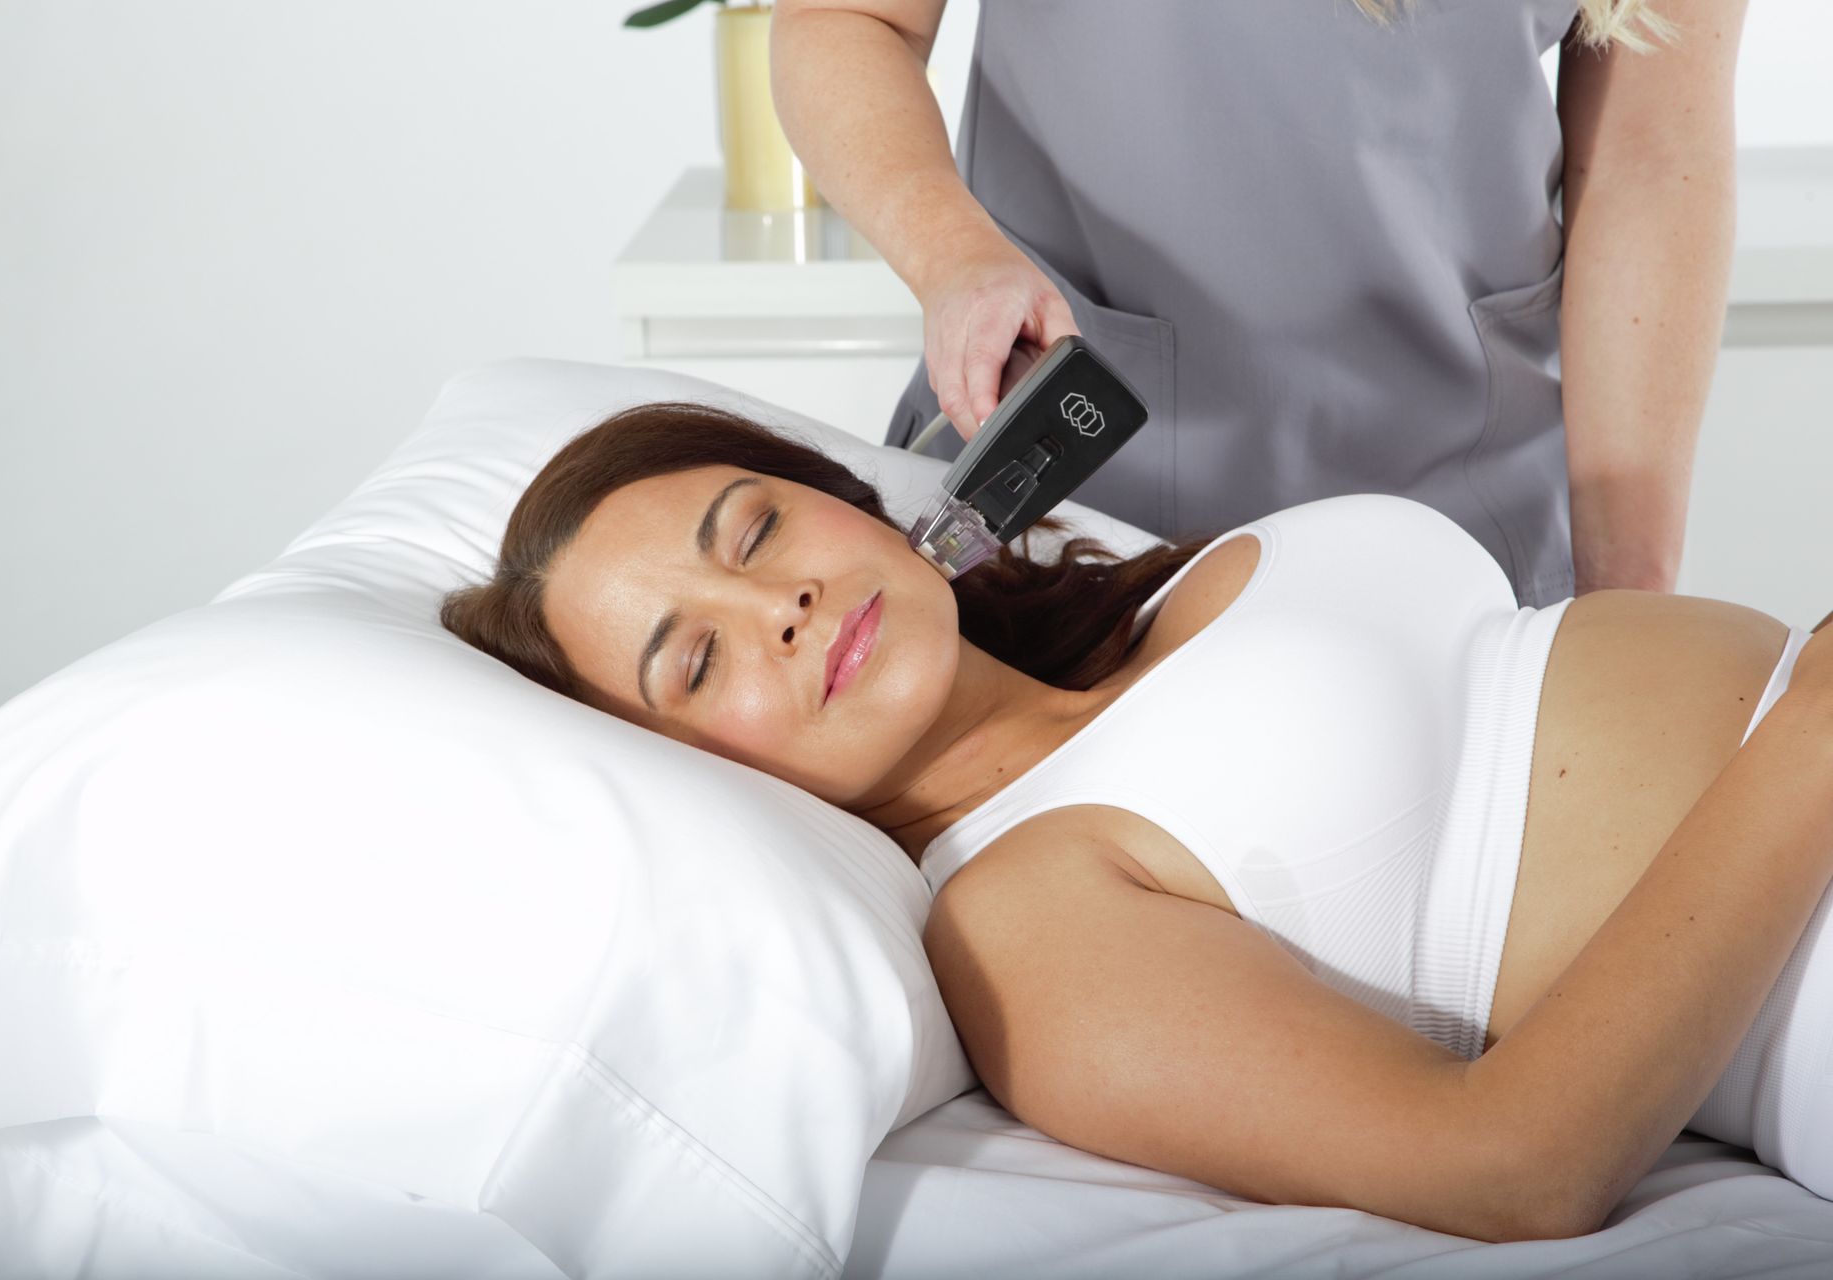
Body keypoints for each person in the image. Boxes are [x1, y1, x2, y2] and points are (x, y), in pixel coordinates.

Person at [440, 403, 1833, 1242]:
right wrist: (1809, 733)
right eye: (697, 661)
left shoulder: (1147, 601)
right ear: (700, 767)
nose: (780, 607)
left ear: (844, 502)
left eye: (752, 533)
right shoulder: (1024, 926)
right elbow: (1512, 1168)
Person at [769, 0, 1749, 608]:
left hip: (1464, 526)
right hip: (1075, 508)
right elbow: (843, 19)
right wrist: (954, 258)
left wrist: (1628, 595)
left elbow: (1650, 157)